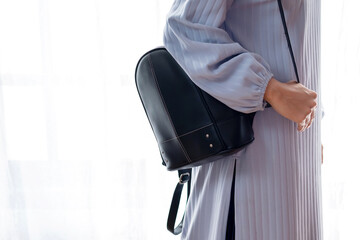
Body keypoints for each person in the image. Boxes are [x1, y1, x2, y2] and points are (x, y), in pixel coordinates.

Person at [163, 0, 323, 239]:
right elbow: (183, 29)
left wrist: (314, 126)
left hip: (296, 154)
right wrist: (269, 89)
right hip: (247, 161)